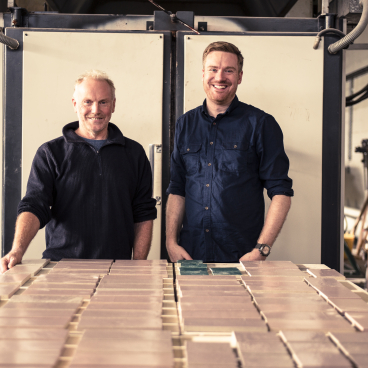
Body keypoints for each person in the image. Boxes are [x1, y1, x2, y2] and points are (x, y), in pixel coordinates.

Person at [0, 70, 157, 273]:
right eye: (87, 102)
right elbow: (34, 205)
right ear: (75, 104)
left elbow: (143, 211)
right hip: (61, 268)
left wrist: (138, 264)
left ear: (113, 105)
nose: (95, 109)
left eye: (103, 102)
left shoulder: (134, 153)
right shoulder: (50, 153)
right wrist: (17, 250)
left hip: (117, 269)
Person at [166, 41, 293, 263]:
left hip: (241, 257)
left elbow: (281, 193)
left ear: (240, 76)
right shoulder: (185, 124)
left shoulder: (261, 124)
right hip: (189, 256)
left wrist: (261, 250)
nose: (220, 77)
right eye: (213, 69)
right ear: (203, 73)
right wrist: (170, 243)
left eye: (229, 70)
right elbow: (177, 189)